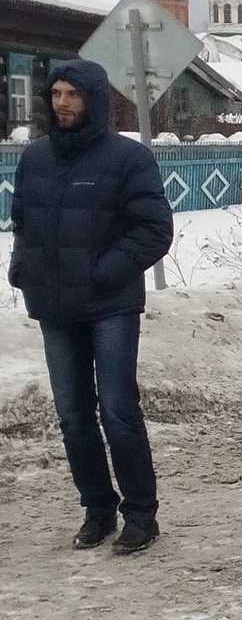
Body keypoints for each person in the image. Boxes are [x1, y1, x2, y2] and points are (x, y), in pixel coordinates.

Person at [6, 60, 174, 554]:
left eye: (73, 95)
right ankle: (97, 508)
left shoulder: (127, 158)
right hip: (54, 306)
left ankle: (141, 515)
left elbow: (154, 231)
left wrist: (102, 273)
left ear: (94, 100)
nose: (62, 103)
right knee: (73, 414)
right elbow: (21, 221)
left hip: (110, 305)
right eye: (55, 93)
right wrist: (21, 267)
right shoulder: (35, 158)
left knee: (118, 410)